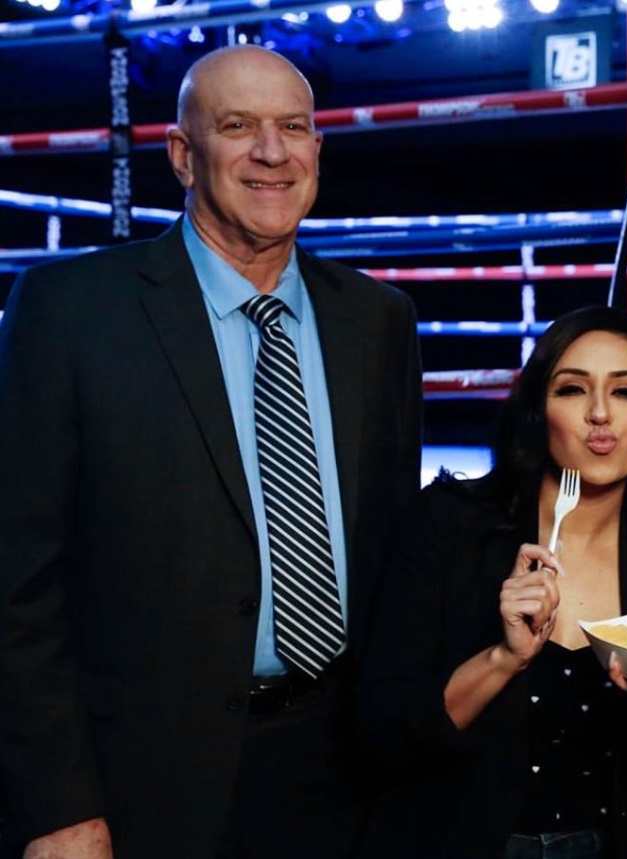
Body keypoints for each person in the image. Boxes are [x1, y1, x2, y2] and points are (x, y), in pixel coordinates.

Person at [0, 45, 421, 859]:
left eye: (292, 127)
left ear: (317, 150)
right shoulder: (71, 311)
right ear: (182, 155)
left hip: (340, 779)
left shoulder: (378, 322)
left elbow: (392, 556)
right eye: (238, 127)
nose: (272, 152)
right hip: (136, 787)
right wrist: (55, 804)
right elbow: (14, 581)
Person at [360, 306, 627, 858]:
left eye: (626, 393)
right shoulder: (448, 525)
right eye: (571, 390)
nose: (599, 414)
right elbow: (381, 735)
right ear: (539, 411)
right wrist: (503, 658)